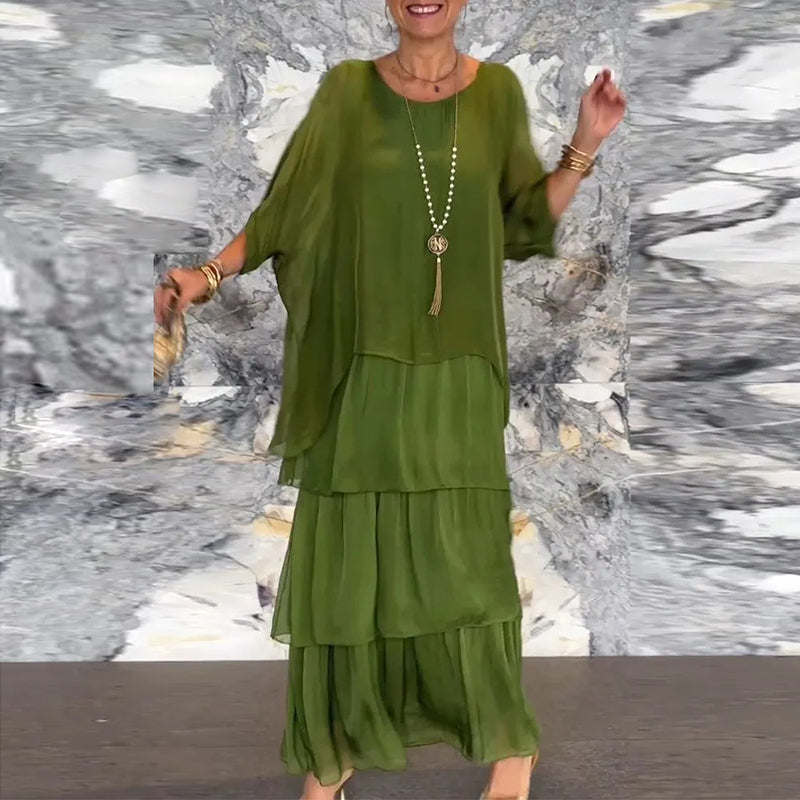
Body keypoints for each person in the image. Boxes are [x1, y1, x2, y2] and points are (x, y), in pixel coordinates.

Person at [155, 2, 625, 798]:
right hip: (359, 362)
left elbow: (522, 224)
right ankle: (336, 747)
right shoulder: (347, 92)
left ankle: (509, 745)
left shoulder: (496, 94)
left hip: (458, 365)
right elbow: (283, 212)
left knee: (465, 560)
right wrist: (205, 275)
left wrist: (586, 142)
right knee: (350, 556)